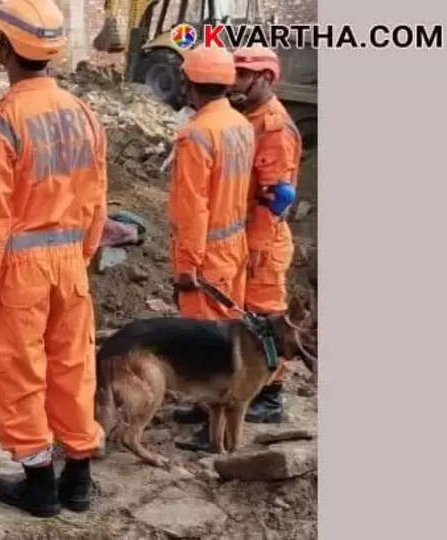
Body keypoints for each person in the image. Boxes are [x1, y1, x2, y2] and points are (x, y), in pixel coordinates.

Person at [0, 0, 108, 518]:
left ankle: (40, 486)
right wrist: (81, 257)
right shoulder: (83, 114)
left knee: (19, 374)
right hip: (70, 266)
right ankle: (79, 479)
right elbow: (96, 200)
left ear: (4, 50)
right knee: (73, 369)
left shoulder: (4, 121)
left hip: (19, 272)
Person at [166, 45, 256, 451]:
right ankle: (205, 408)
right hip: (233, 244)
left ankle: (212, 428)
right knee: (228, 335)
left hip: (208, 253)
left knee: (208, 343)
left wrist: (187, 266)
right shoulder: (240, 124)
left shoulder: (196, 134)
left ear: (190, 84)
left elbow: (193, 207)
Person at [231, 45, 302, 422]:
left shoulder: (273, 126)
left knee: (268, 320)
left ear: (264, 78)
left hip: (264, 241)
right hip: (245, 237)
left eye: (242, 75)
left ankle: (270, 397)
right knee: (244, 321)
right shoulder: (247, 117)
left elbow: (278, 195)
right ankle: (238, 387)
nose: (234, 81)